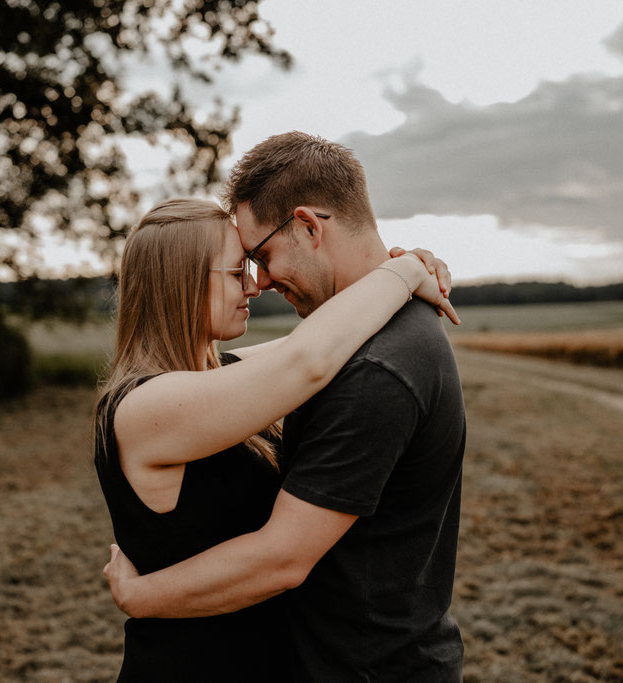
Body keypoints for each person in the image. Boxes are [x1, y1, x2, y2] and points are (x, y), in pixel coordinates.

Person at [104, 132, 467, 681]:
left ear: (309, 227)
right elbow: (306, 359)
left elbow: (312, 349)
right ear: (181, 283)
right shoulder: (144, 406)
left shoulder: (237, 376)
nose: (258, 284)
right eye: (241, 270)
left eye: (259, 260)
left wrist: (403, 270)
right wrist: (404, 271)